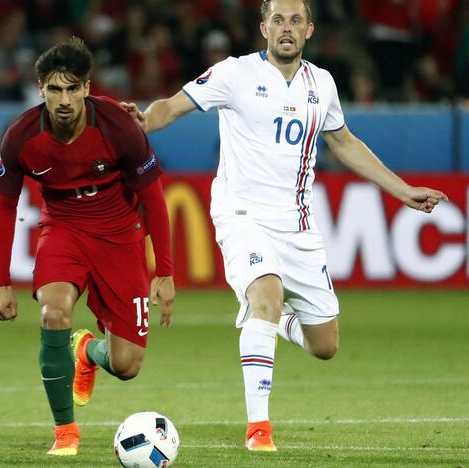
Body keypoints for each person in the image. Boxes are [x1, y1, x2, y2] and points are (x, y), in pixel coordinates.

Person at [121, 0, 448, 452]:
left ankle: (267, 320)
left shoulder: (324, 84)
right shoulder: (234, 74)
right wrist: (143, 120)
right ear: (263, 28)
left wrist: (401, 189)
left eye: (296, 20)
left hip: (297, 225)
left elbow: (344, 142)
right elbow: (172, 107)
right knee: (267, 292)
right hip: (241, 213)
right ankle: (259, 428)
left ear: (310, 30)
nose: (286, 28)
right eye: (278, 20)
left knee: (325, 345)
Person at [0, 37, 175, 457]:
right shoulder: (21, 136)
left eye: (73, 88)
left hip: (120, 234)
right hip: (64, 228)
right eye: (55, 89)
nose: (65, 99)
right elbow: (3, 207)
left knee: (127, 365)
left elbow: (153, 196)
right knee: (53, 312)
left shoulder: (118, 126)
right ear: (41, 90)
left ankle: (87, 350)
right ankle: (65, 432)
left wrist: (164, 270)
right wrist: (1, 282)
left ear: (88, 88)